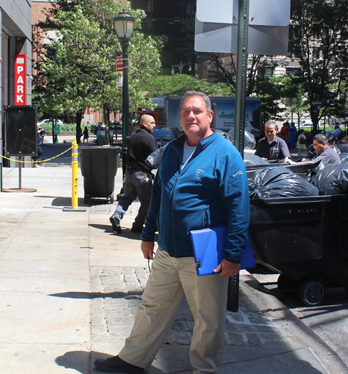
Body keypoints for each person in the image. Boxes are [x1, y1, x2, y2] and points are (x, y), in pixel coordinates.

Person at [95, 91, 250, 374]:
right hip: (167, 248)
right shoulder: (173, 149)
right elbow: (159, 194)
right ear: (179, 118)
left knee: (207, 318)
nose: (191, 116)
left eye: (197, 111)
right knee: (152, 306)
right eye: (185, 112)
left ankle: (204, 369)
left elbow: (239, 207)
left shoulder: (226, 154)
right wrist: (147, 233)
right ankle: (132, 360)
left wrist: (233, 254)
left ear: (209, 116)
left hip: (205, 250)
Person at [109, 114, 157, 234]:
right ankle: (138, 225)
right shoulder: (149, 138)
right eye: (152, 123)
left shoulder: (132, 137)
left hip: (130, 174)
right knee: (147, 202)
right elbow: (156, 157)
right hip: (143, 175)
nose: (154, 125)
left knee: (126, 198)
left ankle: (117, 216)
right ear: (144, 124)